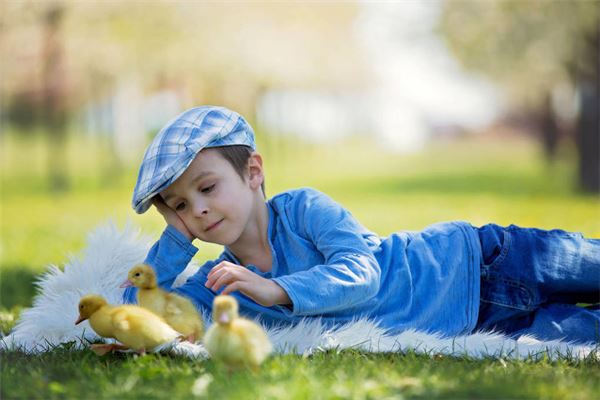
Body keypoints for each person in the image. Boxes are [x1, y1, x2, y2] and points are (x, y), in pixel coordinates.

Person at [123, 105, 600, 344]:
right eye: (179, 204)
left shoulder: (304, 210)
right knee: (582, 333)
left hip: (484, 261)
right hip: (480, 325)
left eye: (206, 189)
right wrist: (176, 237)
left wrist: (278, 291)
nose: (198, 210)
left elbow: (362, 272)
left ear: (253, 173)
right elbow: (134, 318)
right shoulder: (223, 285)